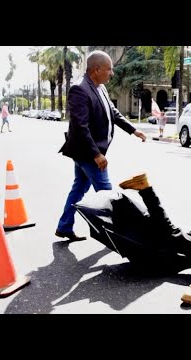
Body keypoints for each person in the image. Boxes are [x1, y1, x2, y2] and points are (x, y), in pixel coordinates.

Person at [55, 50, 147, 241]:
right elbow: (80, 127)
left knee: (79, 189)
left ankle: (64, 226)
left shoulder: (100, 87)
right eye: (109, 69)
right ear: (96, 70)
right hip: (88, 154)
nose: (111, 73)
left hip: (87, 153)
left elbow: (113, 113)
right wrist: (96, 154)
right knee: (108, 195)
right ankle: (124, 236)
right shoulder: (80, 89)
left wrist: (133, 130)